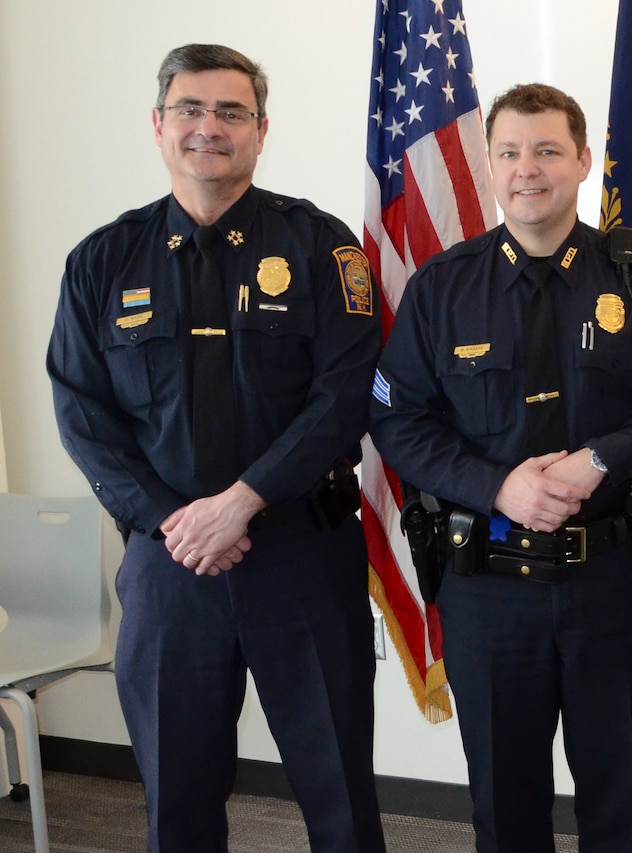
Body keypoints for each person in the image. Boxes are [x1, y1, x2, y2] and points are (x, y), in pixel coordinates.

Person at [47, 43, 386, 852]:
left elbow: (344, 396)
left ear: (262, 131)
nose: (210, 127)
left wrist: (241, 501)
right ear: (158, 125)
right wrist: (176, 521)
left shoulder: (321, 246)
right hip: (171, 569)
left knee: (340, 794)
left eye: (231, 112)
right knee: (179, 799)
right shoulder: (102, 260)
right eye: (191, 110)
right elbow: (82, 414)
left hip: (303, 553)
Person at [369, 83, 632, 851]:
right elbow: (397, 419)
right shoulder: (442, 287)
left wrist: (604, 459)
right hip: (488, 591)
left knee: (621, 806)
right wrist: (498, 486)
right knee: (505, 809)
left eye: (548, 150)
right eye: (509, 152)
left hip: (611, 585)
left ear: (583, 161)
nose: (527, 168)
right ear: (489, 164)